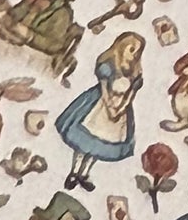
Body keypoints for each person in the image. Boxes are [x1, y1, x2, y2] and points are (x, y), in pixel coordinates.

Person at [55, 31, 143, 194]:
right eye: (132, 49)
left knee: (100, 143)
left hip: (120, 110)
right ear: (122, 47)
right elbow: (104, 89)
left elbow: (131, 94)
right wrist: (109, 105)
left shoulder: (135, 71)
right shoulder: (109, 65)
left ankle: (84, 174)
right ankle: (74, 172)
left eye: (137, 51)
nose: (134, 54)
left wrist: (121, 107)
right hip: (100, 104)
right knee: (84, 142)